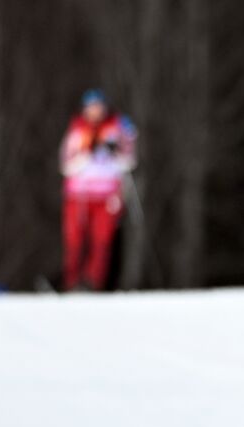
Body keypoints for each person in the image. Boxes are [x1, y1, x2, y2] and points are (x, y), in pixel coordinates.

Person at [58, 89, 136, 292]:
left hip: (107, 196)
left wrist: (118, 151)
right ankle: (72, 283)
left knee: (102, 241)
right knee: (74, 240)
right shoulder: (77, 131)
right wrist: (86, 153)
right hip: (79, 195)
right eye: (91, 108)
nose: (95, 112)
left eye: (98, 107)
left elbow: (129, 161)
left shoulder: (116, 129)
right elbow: (66, 166)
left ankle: (93, 284)